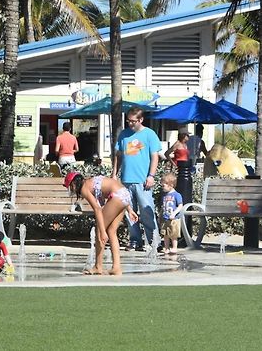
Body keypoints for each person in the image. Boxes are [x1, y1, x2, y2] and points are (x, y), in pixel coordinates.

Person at [63, 171, 138, 275]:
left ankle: (98, 266)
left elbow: (97, 209)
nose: (70, 190)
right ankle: (116, 267)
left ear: (74, 184)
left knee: (99, 229)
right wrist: (129, 209)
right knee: (111, 231)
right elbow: (118, 189)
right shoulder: (90, 182)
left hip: (117, 196)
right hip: (124, 195)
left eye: (69, 187)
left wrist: (102, 231)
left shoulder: (84, 188)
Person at [112, 107, 162, 251]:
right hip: (126, 180)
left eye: (133, 121)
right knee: (129, 212)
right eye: (128, 121)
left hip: (143, 181)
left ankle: (154, 241)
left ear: (141, 120)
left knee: (147, 211)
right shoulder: (124, 134)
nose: (130, 124)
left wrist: (151, 176)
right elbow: (119, 155)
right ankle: (135, 240)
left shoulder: (149, 134)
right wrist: (114, 174)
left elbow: (155, 157)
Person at [159, 173, 183, 254]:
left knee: (173, 234)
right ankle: (166, 248)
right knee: (165, 234)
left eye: (164, 185)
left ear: (171, 185)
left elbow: (180, 205)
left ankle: (174, 247)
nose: (163, 187)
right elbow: (163, 206)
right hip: (165, 218)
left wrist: (174, 213)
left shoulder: (176, 195)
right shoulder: (165, 195)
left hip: (174, 219)